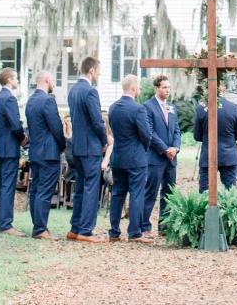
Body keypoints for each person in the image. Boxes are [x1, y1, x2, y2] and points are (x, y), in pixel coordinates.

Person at [66, 55, 108, 242]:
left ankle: (75, 228)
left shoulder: (73, 90)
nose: (99, 74)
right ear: (91, 70)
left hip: (77, 146)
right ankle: (85, 231)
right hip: (91, 147)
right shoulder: (90, 92)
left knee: (81, 188)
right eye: (98, 71)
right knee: (91, 188)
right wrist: (104, 140)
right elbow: (97, 121)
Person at [107, 74, 153, 242]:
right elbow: (146, 135)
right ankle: (134, 233)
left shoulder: (113, 108)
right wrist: (144, 149)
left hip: (118, 156)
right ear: (134, 88)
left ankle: (114, 232)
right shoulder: (138, 109)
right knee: (136, 194)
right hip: (135, 158)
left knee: (118, 194)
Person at [26, 70, 67, 241]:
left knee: (36, 189)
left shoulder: (30, 101)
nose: (54, 84)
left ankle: (38, 226)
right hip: (49, 153)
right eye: (53, 81)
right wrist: (63, 146)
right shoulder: (48, 101)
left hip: (35, 151)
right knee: (44, 190)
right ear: (48, 79)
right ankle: (40, 229)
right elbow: (56, 127)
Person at [142, 74, 181, 239]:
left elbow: (177, 130)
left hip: (171, 159)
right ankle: (144, 226)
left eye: (169, 87)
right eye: (164, 87)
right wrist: (165, 149)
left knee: (169, 193)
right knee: (150, 192)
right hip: (156, 158)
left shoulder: (172, 107)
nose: (167, 90)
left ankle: (164, 226)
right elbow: (149, 132)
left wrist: (175, 148)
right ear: (156, 88)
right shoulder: (147, 107)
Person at [0, 67, 27, 235]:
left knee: (2, 185)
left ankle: (1, 220)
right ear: (8, 80)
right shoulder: (9, 99)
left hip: (0, 146)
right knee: (7, 185)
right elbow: (15, 124)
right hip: (10, 147)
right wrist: (23, 138)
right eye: (16, 78)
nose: (18, 81)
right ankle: (6, 224)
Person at [193, 87, 237, 193]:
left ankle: (205, 210)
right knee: (230, 192)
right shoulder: (234, 108)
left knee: (205, 192)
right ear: (223, 89)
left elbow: (197, 136)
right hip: (228, 155)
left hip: (208, 154)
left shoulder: (201, 109)